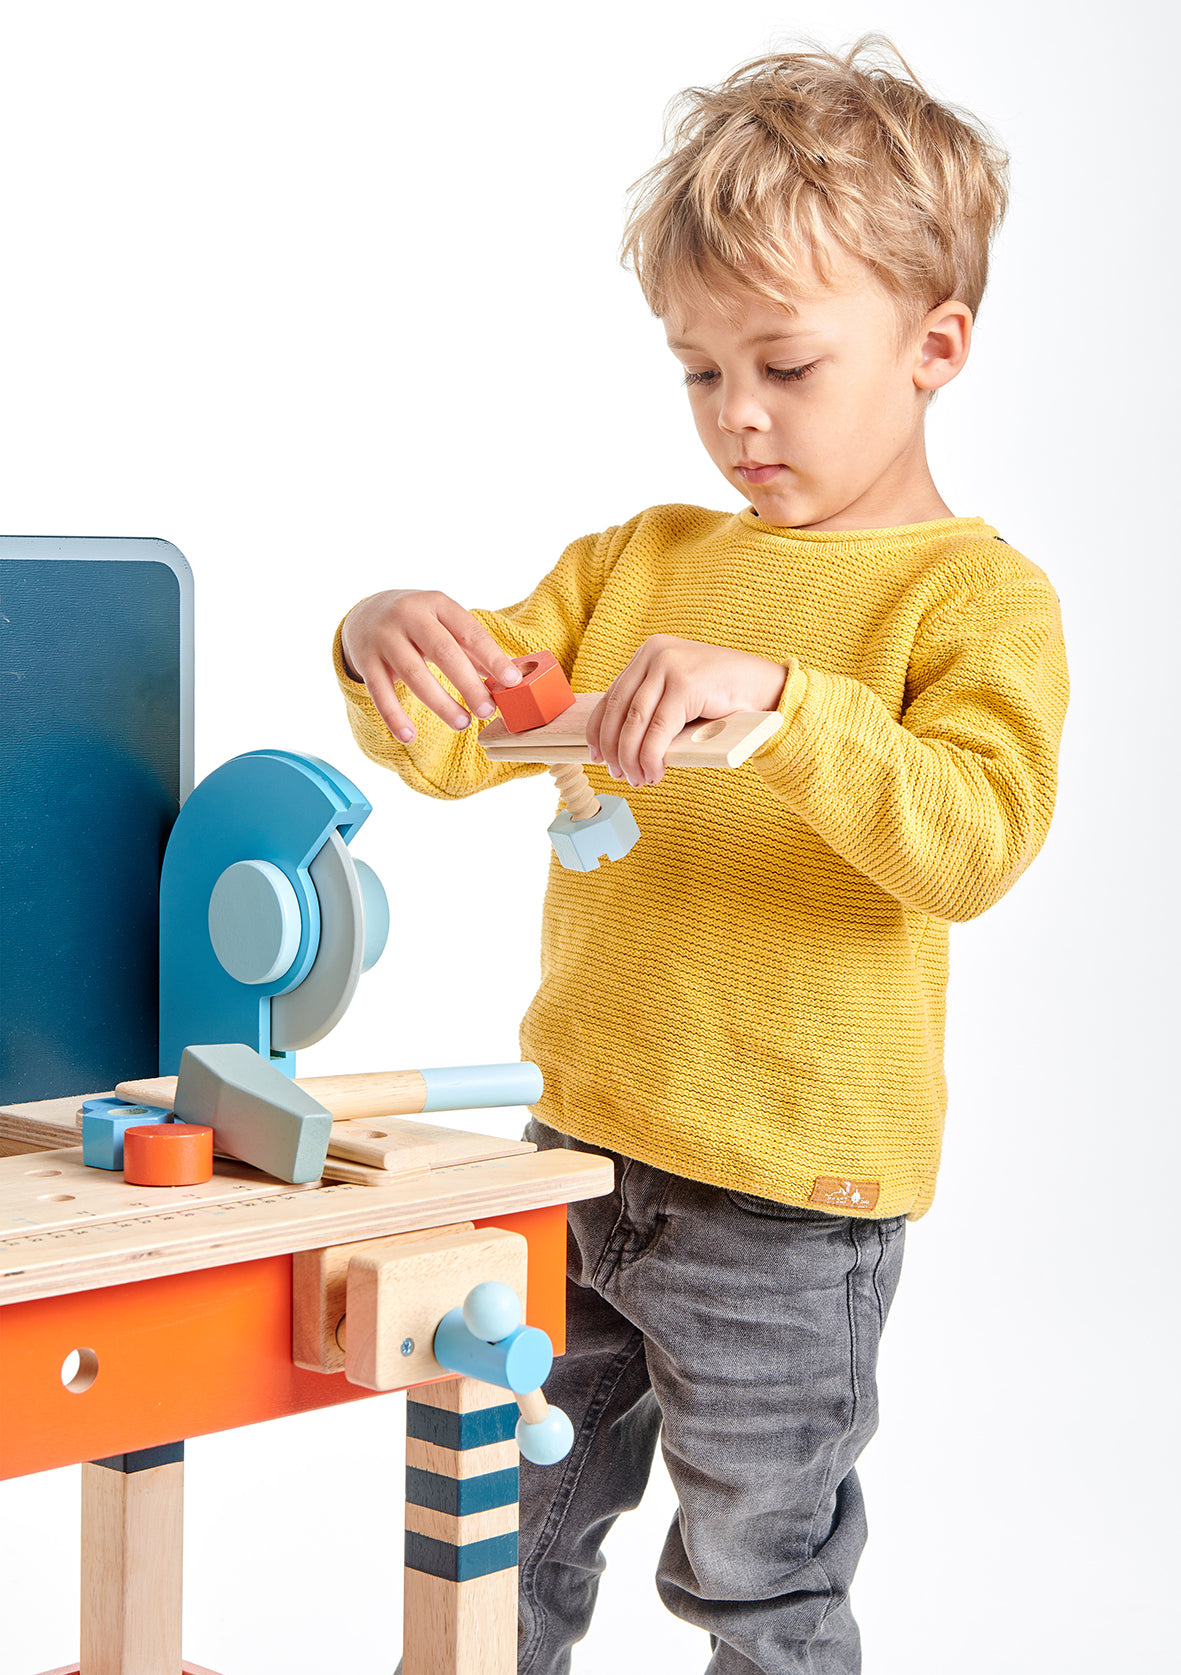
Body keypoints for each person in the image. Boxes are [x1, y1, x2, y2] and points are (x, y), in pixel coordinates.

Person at [334, 38, 1069, 1675]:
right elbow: (460, 735)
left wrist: (789, 709)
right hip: (576, 1149)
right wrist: (381, 640)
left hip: (790, 1206)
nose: (735, 417)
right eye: (696, 369)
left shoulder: (970, 600)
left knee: (757, 1581)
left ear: (935, 344)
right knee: (496, 1539)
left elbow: (972, 841)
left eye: (785, 367)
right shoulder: (639, 561)